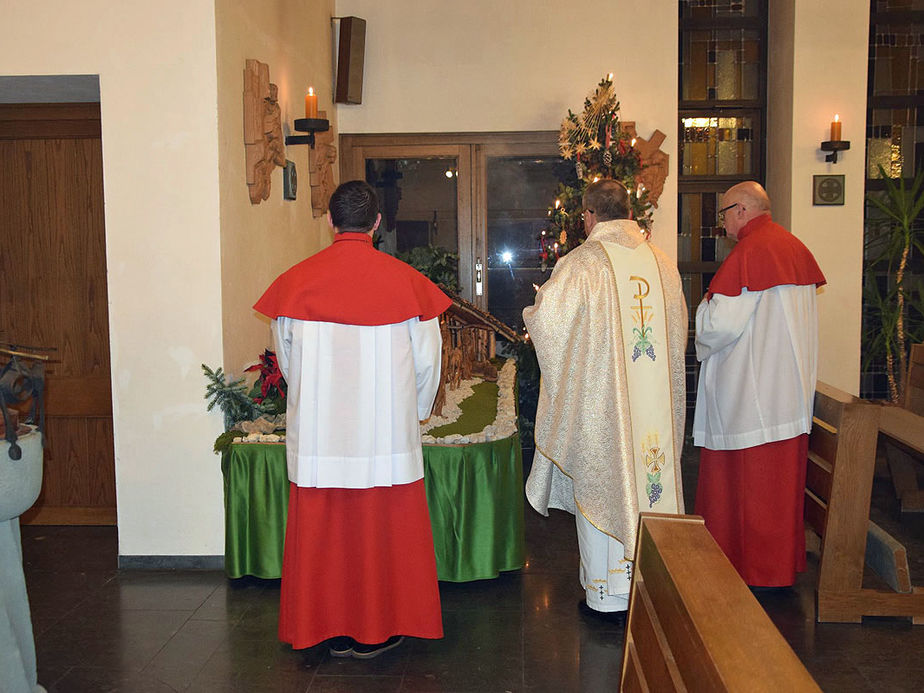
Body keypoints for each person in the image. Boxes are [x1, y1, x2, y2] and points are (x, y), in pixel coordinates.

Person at [253, 180, 450, 658]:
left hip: (322, 439)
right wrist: (414, 414)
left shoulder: (296, 285)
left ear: (330, 221)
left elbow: (289, 362)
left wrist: (318, 404)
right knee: (385, 536)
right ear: (378, 224)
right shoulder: (406, 284)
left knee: (327, 539)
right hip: (385, 438)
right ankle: (382, 626)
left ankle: (329, 627)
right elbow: (429, 364)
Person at [523, 179, 687, 619]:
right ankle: (651, 585)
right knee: (650, 476)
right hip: (652, 408)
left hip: (605, 407)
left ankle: (607, 595)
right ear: (629, 211)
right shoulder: (664, 265)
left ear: (589, 216)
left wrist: (532, 313)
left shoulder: (582, 264)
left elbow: (550, 325)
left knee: (604, 477)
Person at [693, 181, 826, 587]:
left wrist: (703, 307)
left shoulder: (751, 252)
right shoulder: (792, 246)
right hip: (788, 395)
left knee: (750, 490)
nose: (723, 223)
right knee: (778, 493)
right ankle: (777, 568)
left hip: (754, 399)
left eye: (724, 213)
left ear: (742, 210)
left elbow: (719, 325)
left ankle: (751, 571)